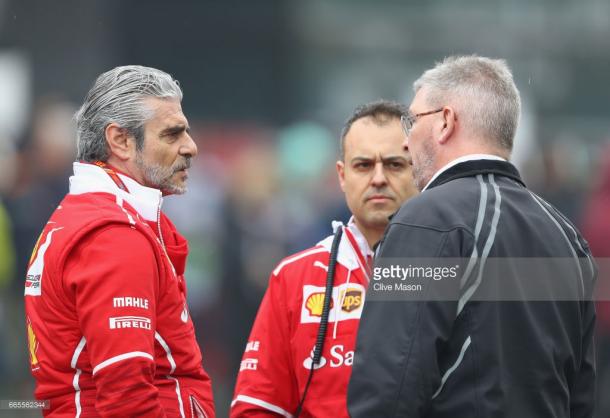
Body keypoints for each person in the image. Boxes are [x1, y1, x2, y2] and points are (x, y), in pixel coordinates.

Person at [348, 56, 597, 417]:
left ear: (446, 121)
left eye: (411, 121)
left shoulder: (423, 221)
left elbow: (388, 387)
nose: (405, 141)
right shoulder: (567, 236)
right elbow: (583, 396)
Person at [24, 65, 215, 417]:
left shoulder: (90, 217)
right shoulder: (114, 234)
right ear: (121, 141)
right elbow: (127, 396)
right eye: (172, 134)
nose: (191, 147)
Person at [230, 100, 418, 417]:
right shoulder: (293, 276)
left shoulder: (455, 269)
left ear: (421, 171)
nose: (378, 178)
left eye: (395, 164)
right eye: (363, 165)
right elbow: (258, 406)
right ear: (342, 176)